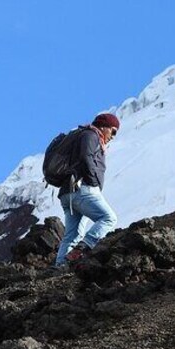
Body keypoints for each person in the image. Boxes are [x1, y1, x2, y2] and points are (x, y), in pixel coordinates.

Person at [54, 113, 120, 267]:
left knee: (72, 235)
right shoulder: (91, 135)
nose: (113, 136)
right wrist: (93, 182)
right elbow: (86, 157)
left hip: (68, 193)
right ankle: (84, 247)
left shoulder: (82, 135)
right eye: (113, 131)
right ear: (103, 127)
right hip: (82, 190)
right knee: (109, 218)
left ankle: (60, 267)